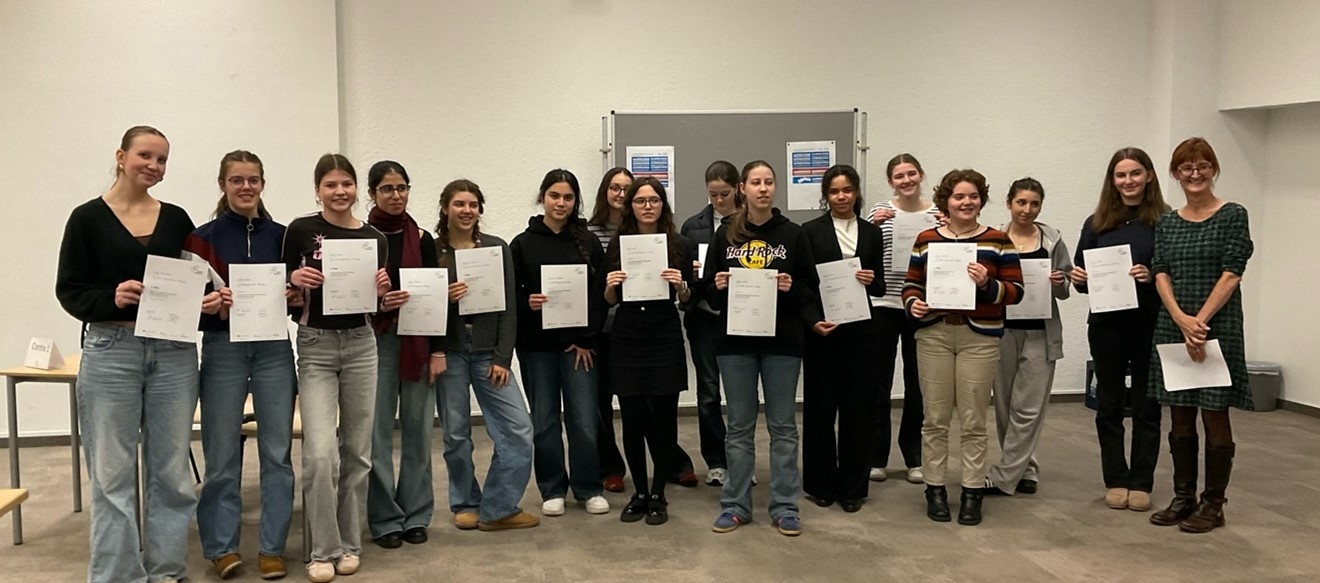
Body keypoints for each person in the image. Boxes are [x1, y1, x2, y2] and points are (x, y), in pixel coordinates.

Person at [56, 125, 217, 583]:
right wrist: (111, 298)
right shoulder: (86, 219)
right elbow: (69, 289)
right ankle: (118, 576)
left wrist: (207, 302)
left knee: (172, 473)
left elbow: (198, 280)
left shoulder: (177, 219)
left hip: (173, 354)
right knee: (111, 476)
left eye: (162, 159)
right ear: (121, 156)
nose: (154, 165)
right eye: (145, 155)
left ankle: (166, 572)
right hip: (112, 352)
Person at [186, 150, 296, 580]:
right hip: (223, 348)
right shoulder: (200, 239)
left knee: (277, 453)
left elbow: (297, 300)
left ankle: (272, 547)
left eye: (253, 180)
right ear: (223, 185)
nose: (245, 187)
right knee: (221, 453)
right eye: (237, 180)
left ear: (263, 184)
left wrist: (295, 296)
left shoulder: (283, 237)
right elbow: (186, 305)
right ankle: (221, 547)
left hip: (273, 350)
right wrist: (210, 304)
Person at [283, 153, 390, 582]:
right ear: (318, 190)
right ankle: (322, 550)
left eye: (346, 183)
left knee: (358, 452)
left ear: (356, 188)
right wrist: (293, 281)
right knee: (320, 454)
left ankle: (350, 544)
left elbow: (377, 302)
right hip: (316, 346)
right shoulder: (299, 230)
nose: (339, 191)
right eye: (330, 184)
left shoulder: (374, 237)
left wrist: (382, 291)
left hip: (362, 344)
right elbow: (283, 288)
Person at [702, 160, 820, 537]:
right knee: (738, 427)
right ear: (743, 188)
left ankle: (785, 506)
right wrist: (718, 285)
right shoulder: (726, 234)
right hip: (734, 343)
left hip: (782, 343)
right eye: (756, 182)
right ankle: (735, 505)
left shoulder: (793, 234)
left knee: (783, 427)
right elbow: (708, 292)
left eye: (769, 182)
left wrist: (791, 286)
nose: (763, 188)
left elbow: (810, 290)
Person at [903, 168, 1023, 526]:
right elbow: (911, 284)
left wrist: (987, 284)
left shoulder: (998, 240)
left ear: (981, 200)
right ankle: (935, 488)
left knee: (973, 419)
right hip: (935, 335)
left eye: (973, 196)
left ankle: (972, 491)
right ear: (946, 201)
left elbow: (1016, 292)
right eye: (959, 196)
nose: (966, 202)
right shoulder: (926, 239)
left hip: (979, 338)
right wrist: (913, 304)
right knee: (935, 418)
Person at [1148, 137, 1254, 533]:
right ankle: (1183, 497)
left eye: (1203, 166)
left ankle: (1213, 504)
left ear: (1213, 170)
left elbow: (1232, 271)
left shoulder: (1232, 214)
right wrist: (1180, 318)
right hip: (1174, 325)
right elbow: (1160, 270)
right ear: (1176, 174)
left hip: (1217, 327)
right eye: (1186, 168)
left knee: (1214, 412)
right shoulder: (1168, 221)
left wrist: (1200, 322)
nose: (1195, 174)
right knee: (1179, 414)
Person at [433, 179, 540, 532]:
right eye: (459, 204)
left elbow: (508, 307)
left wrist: (502, 358)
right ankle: (465, 503)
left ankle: (497, 507)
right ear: (445, 208)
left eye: (473, 205)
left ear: (480, 209)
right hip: (450, 351)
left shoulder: (497, 248)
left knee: (518, 428)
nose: (466, 211)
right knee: (456, 434)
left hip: (487, 353)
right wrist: (443, 298)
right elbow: (421, 304)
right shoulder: (432, 250)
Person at [1071, 147, 1170, 513]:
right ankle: (1115, 479)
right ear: (1112, 180)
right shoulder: (1096, 223)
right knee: (1109, 405)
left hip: (1149, 324)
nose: (1128, 181)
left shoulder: (1165, 221)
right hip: (1106, 326)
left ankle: (1141, 482)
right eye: (1121, 175)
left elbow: (1173, 272)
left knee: (1147, 407)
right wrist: (1078, 277)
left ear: (1149, 176)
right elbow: (1082, 278)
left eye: (1135, 173)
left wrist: (1151, 274)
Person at [511, 169, 611, 517]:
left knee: (584, 420)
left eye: (568, 197)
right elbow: (511, 296)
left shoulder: (588, 242)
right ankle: (552, 488)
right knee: (545, 421)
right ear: (543, 198)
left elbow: (599, 296)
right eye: (555, 196)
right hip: (536, 347)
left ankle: (588, 487)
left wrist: (586, 339)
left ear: (575, 201)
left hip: (579, 349)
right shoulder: (522, 243)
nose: (561, 203)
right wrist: (528, 302)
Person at [603, 177, 693, 525]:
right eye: (640, 201)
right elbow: (608, 300)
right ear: (631, 206)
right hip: (627, 336)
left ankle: (658, 494)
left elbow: (687, 298)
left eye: (654, 200)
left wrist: (681, 286)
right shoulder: (618, 244)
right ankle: (639, 492)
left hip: (664, 334)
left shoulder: (679, 243)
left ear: (662, 204)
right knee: (633, 418)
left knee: (664, 420)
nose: (647, 206)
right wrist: (611, 286)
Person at [364, 160, 442, 549]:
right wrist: (379, 303)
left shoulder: (423, 238)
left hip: (418, 342)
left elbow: (436, 297)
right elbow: (346, 297)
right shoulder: (360, 238)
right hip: (373, 343)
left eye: (402, 188)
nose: (396, 196)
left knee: (418, 431)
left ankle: (415, 514)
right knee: (376, 434)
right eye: (387, 189)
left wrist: (439, 350)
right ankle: (384, 518)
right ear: (372, 194)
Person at [801, 164, 887, 513]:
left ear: (856, 192)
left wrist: (870, 279)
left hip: (862, 332)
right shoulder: (810, 231)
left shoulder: (872, 232)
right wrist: (812, 321)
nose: (841, 197)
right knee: (820, 410)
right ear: (826, 196)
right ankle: (820, 484)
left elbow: (880, 284)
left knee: (859, 410)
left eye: (847, 190)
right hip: (824, 331)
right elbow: (805, 285)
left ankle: (853, 487)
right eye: (834, 191)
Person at [982, 178, 1072, 497]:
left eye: (1034, 204)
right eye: (1021, 202)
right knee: (1005, 405)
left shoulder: (1053, 240)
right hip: (1002, 331)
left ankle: (1004, 476)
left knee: (1029, 409)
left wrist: (1060, 282)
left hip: (1040, 333)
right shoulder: (993, 239)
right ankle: (1026, 468)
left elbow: (1065, 290)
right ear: (1009, 203)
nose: (1027, 209)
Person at [865, 153, 938, 485]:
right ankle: (876, 457)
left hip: (920, 305)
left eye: (911, 174)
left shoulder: (937, 213)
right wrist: (873, 228)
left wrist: (943, 228)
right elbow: (864, 253)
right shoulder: (880, 212)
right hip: (882, 304)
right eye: (899, 176)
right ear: (890, 181)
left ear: (920, 175)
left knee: (917, 383)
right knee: (878, 382)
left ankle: (914, 457)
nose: (906, 180)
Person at [678, 160, 742, 486]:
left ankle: (741, 461)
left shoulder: (750, 223)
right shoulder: (693, 227)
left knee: (741, 393)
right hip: (704, 315)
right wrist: (690, 272)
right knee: (708, 392)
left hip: (741, 317)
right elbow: (682, 278)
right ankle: (716, 461)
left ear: (738, 189)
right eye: (713, 194)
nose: (719, 200)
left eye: (725, 194)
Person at [585, 167, 633, 492]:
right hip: (600, 330)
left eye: (627, 189)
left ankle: (666, 463)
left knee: (637, 401)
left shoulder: (643, 232)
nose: (621, 194)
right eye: (615, 188)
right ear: (605, 191)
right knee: (599, 402)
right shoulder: (588, 233)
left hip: (633, 330)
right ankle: (610, 467)